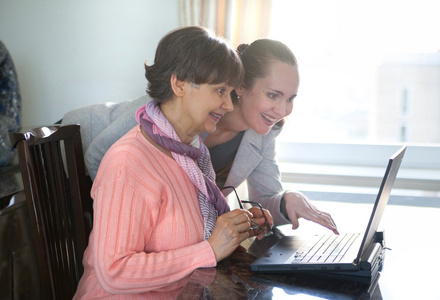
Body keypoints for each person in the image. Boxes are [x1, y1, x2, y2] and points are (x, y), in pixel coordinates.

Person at [62, 38, 338, 235]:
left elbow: (265, 197)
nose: (283, 110)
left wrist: (287, 201)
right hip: (68, 146)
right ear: (241, 86)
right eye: (273, 95)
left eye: (290, 99)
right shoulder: (184, 109)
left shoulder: (263, 131)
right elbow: (100, 155)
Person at [73, 26, 273, 298]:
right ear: (179, 84)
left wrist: (238, 227)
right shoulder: (129, 162)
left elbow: (184, 233)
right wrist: (210, 249)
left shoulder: (191, 152)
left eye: (230, 93)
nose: (228, 105)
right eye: (220, 91)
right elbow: (114, 271)